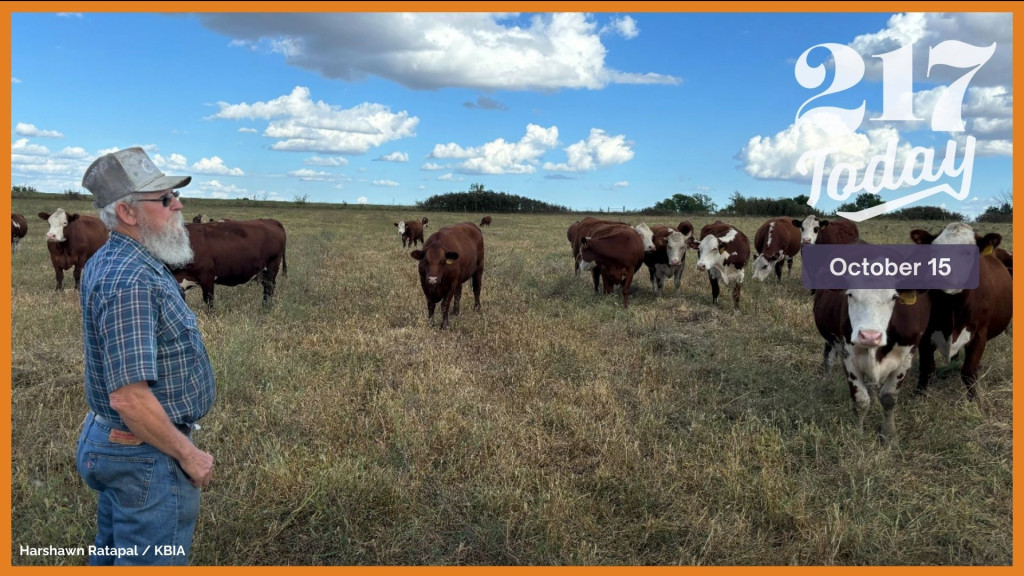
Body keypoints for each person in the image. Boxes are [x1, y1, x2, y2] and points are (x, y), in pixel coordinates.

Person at [76, 147, 216, 565]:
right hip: (145, 453)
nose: (179, 204)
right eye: (166, 199)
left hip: (124, 444)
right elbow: (129, 398)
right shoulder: (131, 278)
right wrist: (188, 455)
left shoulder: (124, 259)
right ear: (128, 213)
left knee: (114, 554)